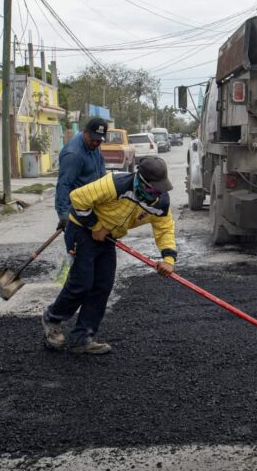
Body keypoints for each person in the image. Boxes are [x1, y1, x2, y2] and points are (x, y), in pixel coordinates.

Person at [42, 156, 177, 355]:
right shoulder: (115, 183)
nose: (156, 193)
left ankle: (82, 337)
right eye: (152, 189)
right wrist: (95, 226)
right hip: (82, 228)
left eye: (160, 188)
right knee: (82, 282)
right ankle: (52, 319)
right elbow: (77, 198)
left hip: (107, 236)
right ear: (140, 180)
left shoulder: (160, 202)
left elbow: (164, 228)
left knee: (103, 285)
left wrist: (168, 259)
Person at [55, 117, 108, 232]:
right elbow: (64, 184)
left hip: (93, 205)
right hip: (78, 210)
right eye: (93, 139)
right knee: (82, 246)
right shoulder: (74, 154)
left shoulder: (94, 147)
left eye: (99, 140)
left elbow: (101, 173)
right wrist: (64, 215)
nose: (95, 143)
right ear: (85, 132)